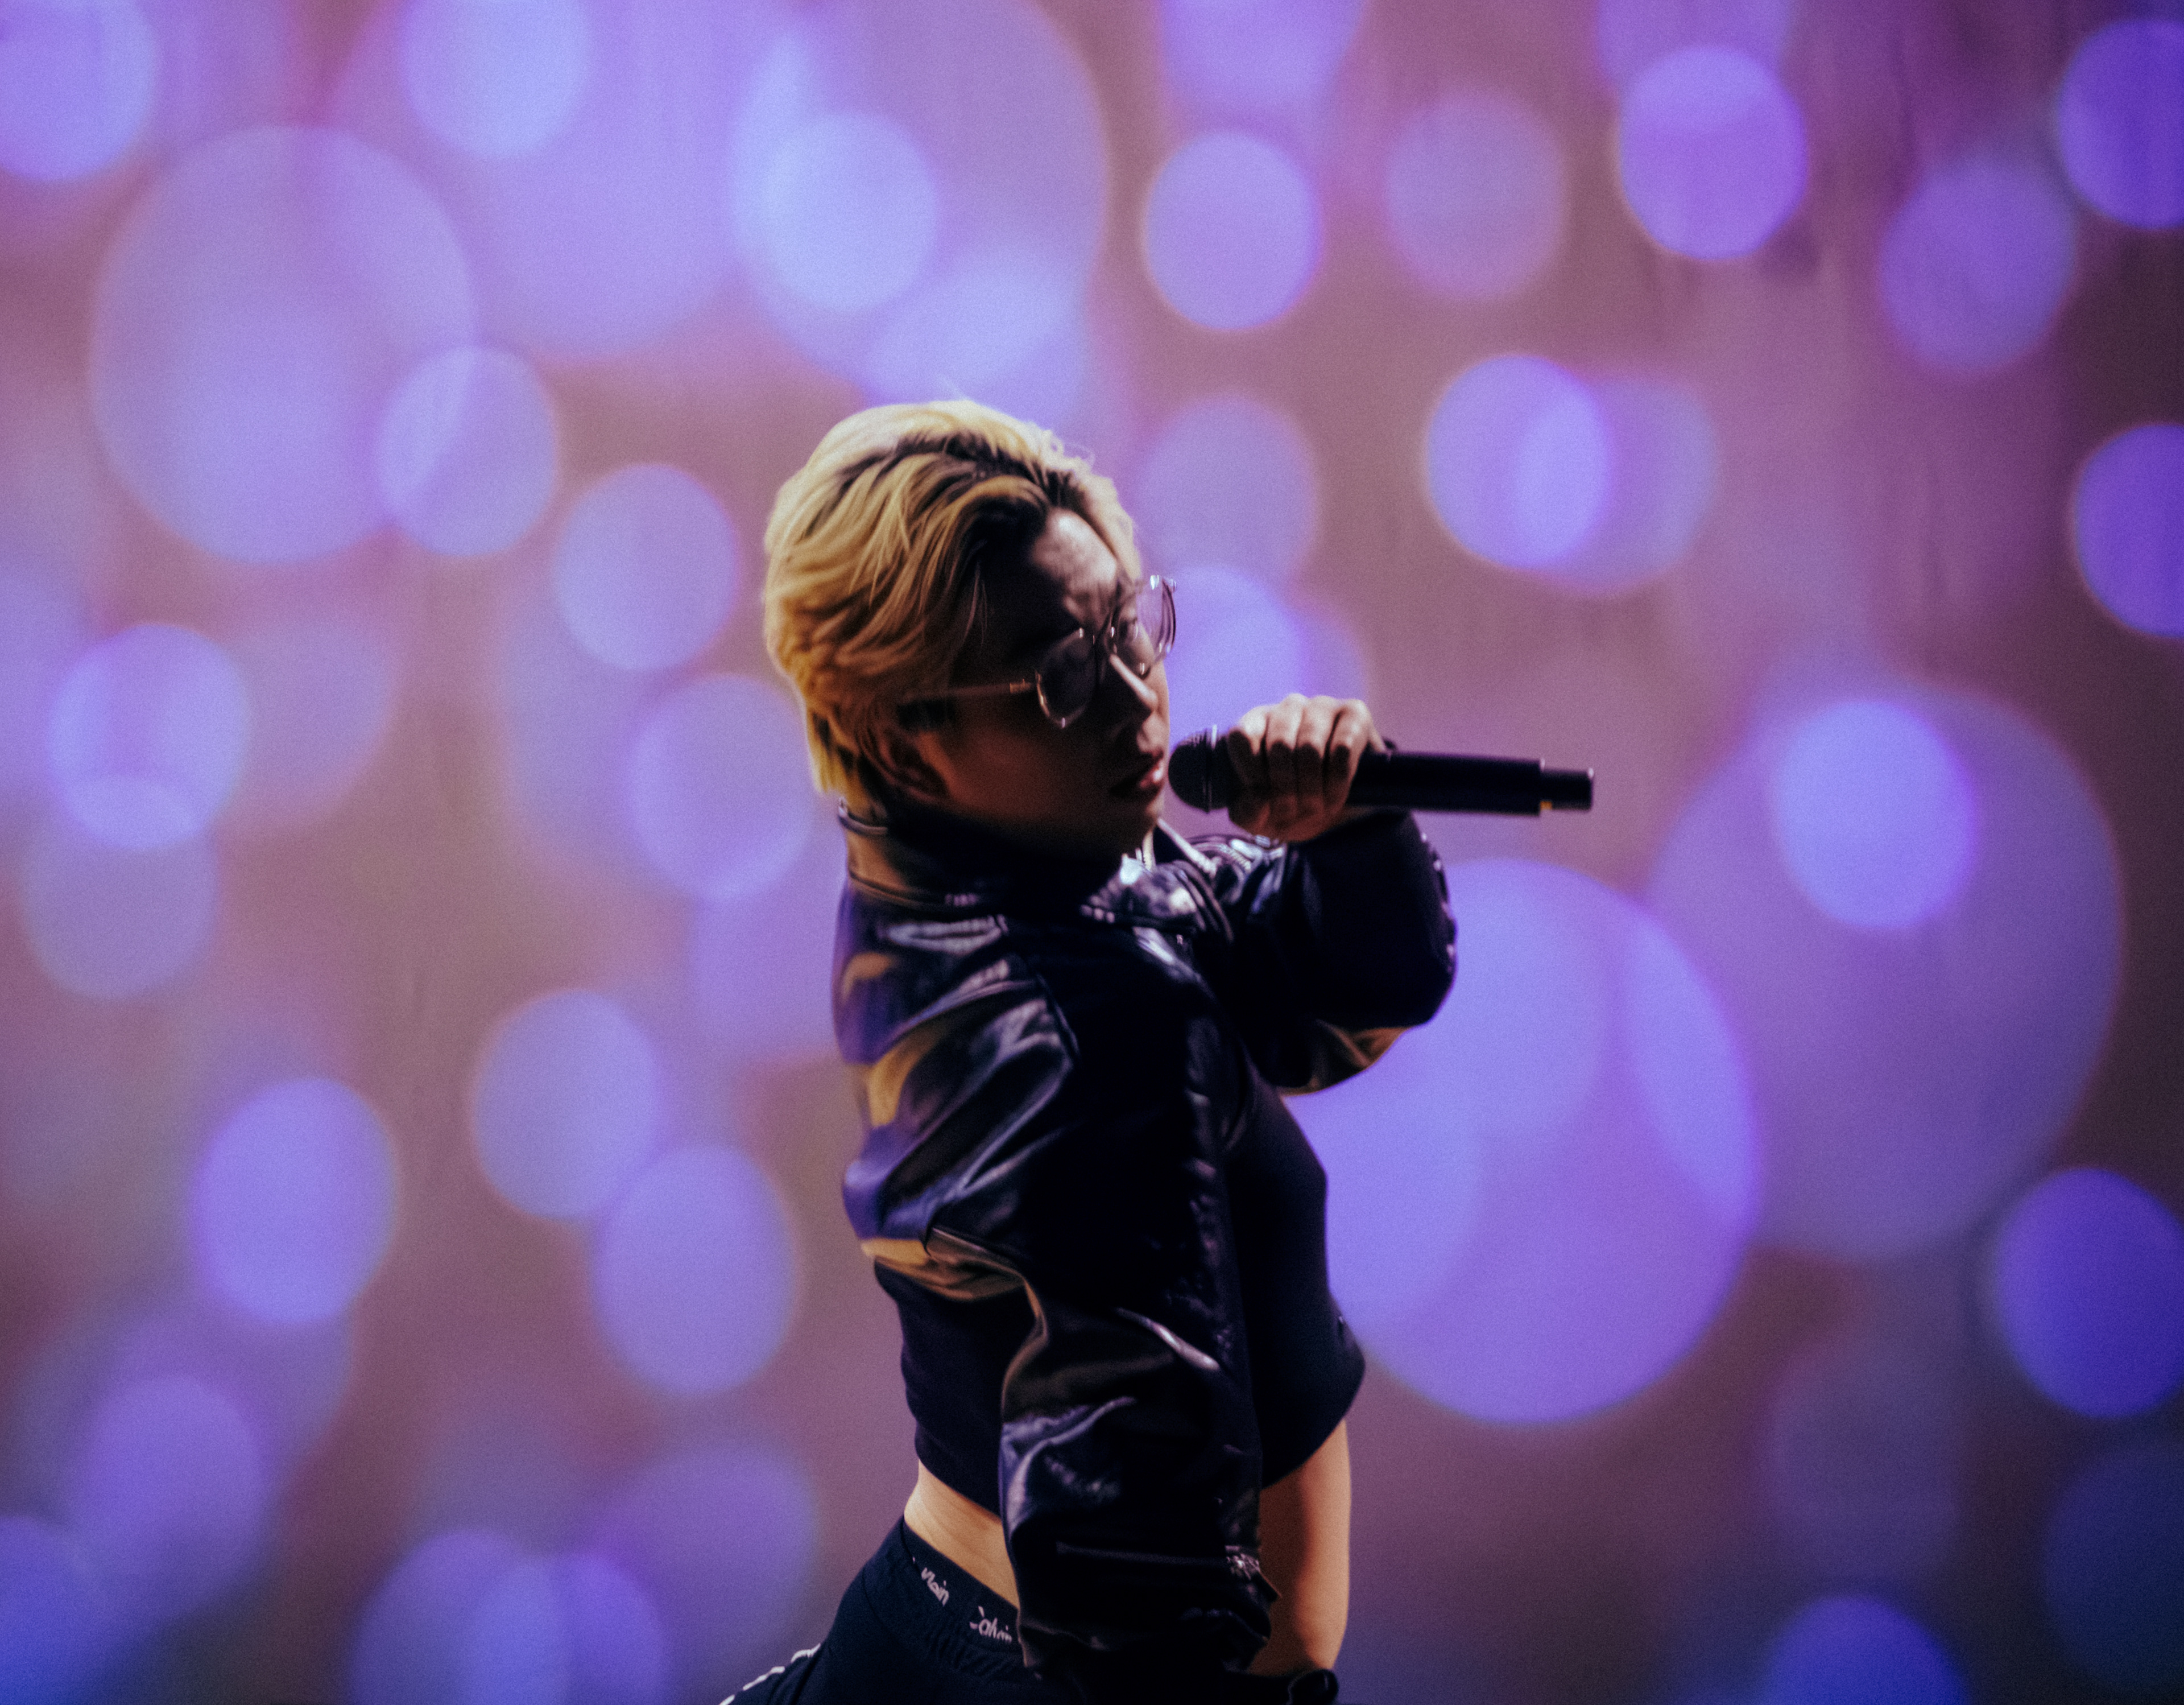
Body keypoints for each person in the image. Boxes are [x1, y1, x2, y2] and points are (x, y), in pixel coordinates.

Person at [733, 400, 1455, 1705]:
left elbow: (1320, 990)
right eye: (1061, 677)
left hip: (952, 1641)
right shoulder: (1078, 1021)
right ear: (904, 735)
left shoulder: (1000, 877)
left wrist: (1348, 831)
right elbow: (1134, 1569)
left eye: (1129, 628)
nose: (1135, 698)